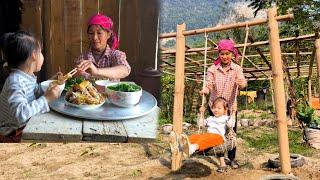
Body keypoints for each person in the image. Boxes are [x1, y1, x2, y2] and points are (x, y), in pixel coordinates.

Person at [0, 31, 61, 142]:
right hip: (12, 135)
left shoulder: (25, 76)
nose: (42, 56)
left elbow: (33, 92)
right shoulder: (15, 82)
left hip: (23, 127)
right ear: (34, 55)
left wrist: (52, 83)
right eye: (41, 52)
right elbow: (20, 115)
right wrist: (46, 99)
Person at [200, 39, 247, 169]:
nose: (225, 57)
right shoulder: (212, 69)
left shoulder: (237, 69)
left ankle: (232, 159)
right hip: (215, 107)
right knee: (216, 134)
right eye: (222, 54)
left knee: (231, 132)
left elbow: (243, 83)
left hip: (230, 107)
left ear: (232, 54)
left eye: (227, 54)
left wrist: (241, 83)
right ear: (218, 54)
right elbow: (209, 84)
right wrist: (205, 89)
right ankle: (221, 161)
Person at [178, 97, 235, 173]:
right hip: (209, 136)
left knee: (207, 138)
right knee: (197, 137)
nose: (216, 110)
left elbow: (231, 124)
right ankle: (182, 144)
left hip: (218, 137)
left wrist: (233, 113)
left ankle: (193, 148)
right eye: (214, 108)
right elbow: (201, 124)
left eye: (219, 108)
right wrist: (201, 114)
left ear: (225, 110)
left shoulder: (225, 118)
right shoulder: (210, 118)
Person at [76, 14, 131, 81]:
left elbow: (125, 70)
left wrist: (97, 71)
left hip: (111, 92)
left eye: (99, 33)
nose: (95, 38)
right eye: (91, 33)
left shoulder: (115, 54)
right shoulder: (83, 57)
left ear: (108, 34)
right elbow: (79, 78)